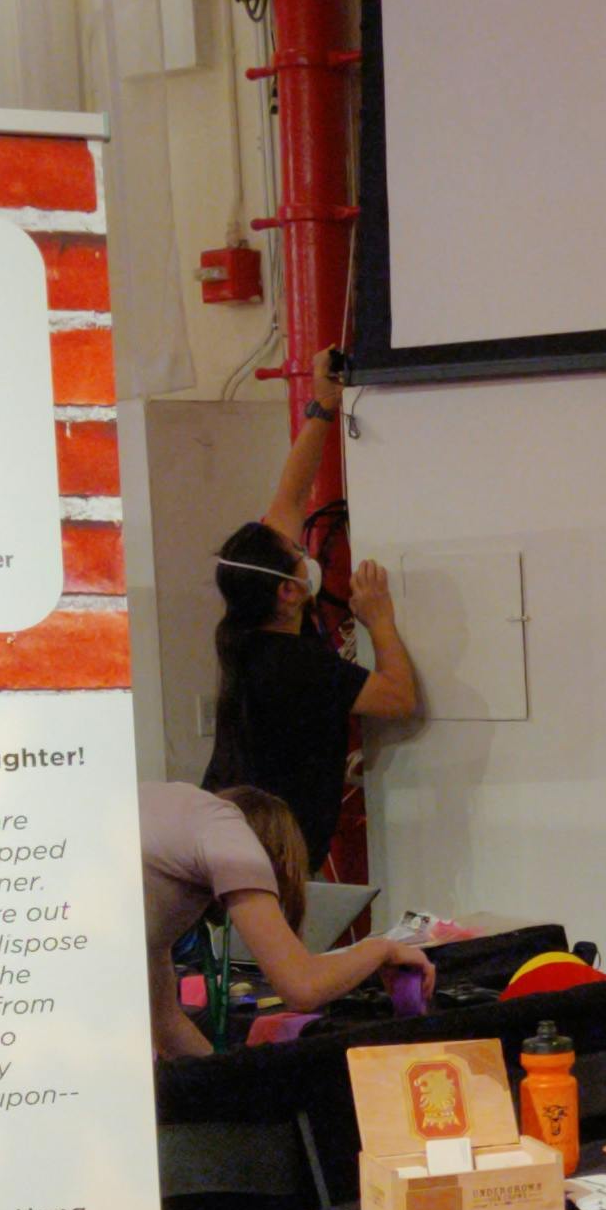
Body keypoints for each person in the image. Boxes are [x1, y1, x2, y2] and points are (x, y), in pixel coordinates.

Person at [203, 354, 420, 868]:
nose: (306, 555)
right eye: (299, 555)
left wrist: (323, 406)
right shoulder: (294, 665)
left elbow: (291, 496)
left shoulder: (248, 633)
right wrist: (380, 621)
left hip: (231, 837)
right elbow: (398, 697)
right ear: (288, 592)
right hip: (271, 856)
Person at [144, 781, 435, 1058]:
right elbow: (303, 987)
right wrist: (383, 949)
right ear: (274, 860)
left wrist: (232, 1086)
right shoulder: (226, 832)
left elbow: (168, 1028)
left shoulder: (168, 828)